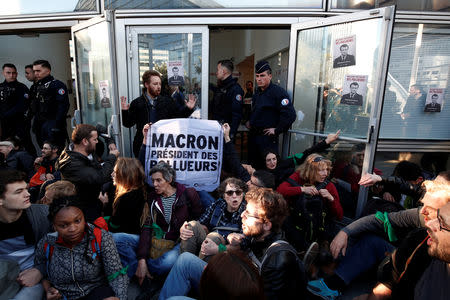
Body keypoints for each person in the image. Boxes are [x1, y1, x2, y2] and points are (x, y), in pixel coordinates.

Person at [306, 173, 450, 299]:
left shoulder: (420, 252)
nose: (427, 221)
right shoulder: (422, 220)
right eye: (422, 205)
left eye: (440, 220)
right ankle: (330, 274)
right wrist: (345, 232)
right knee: (370, 239)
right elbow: (380, 219)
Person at [158, 188, 307, 300]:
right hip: (232, 287)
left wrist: (221, 278)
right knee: (186, 260)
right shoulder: (256, 236)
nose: (242, 216)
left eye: (248, 214)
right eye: (244, 211)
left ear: (267, 225)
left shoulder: (278, 259)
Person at [114, 161, 202, 283]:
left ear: (169, 179)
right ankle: (140, 268)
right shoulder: (152, 197)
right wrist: (141, 259)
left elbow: (199, 220)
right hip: (156, 240)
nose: (155, 184)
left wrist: (188, 228)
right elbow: (147, 227)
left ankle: (143, 274)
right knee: (116, 238)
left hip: (178, 242)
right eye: (153, 180)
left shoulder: (188, 194)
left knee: (166, 263)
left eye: (158, 180)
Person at [34, 195, 128, 300]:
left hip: (96, 291)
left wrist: (119, 298)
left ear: (84, 218)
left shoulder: (99, 237)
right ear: (54, 226)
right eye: (64, 225)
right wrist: (48, 290)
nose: (73, 229)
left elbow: (116, 274)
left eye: (77, 221)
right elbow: (41, 270)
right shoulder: (47, 243)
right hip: (64, 296)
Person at [0, 169, 51, 300]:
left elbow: (63, 250)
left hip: (35, 278)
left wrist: (40, 271)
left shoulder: (44, 215)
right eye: (18, 192)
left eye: (26, 189)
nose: (27, 194)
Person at [121, 70, 196, 157]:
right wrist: (125, 111)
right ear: (146, 85)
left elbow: (178, 117)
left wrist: (188, 109)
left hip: (163, 147)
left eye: (160, 84)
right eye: (155, 84)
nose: (159, 87)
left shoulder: (167, 101)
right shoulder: (137, 103)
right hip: (142, 147)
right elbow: (128, 123)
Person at [277, 153, 343, 250]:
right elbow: (280, 190)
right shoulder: (298, 177)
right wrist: (302, 189)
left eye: (326, 169)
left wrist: (331, 198)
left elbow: (340, 216)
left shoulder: (329, 186)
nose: (325, 173)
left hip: (319, 225)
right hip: (298, 223)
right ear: (310, 170)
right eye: (320, 170)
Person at [56, 124, 119, 222]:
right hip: (84, 209)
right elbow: (100, 177)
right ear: (85, 141)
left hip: (94, 197)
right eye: (95, 140)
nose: (97, 142)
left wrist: (110, 141)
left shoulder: (82, 150)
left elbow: (98, 127)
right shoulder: (73, 164)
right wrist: (112, 157)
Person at [179, 177, 248, 259]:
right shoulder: (217, 205)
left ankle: (199, 269)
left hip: (229, 252)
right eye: (230, 193)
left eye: (238, 192)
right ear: (224, 196)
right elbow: (200, 223)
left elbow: (243, 245)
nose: (234, 196)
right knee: (191, 225)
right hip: (208, 241)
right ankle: (185, 262)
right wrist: (185, 228)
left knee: (213, 237)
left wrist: (218, 249)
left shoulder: (246, 212)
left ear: (242, 194)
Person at [247, 60, 296, 169]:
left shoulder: (278, 92)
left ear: (270, 76)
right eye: (257, 76)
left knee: (267, 171)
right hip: (254, 138)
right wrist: (250, 121)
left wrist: (277, 129)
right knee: (253, 167)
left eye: (262, 75)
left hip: (267, 140)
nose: (259, 79)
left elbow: (290, 115)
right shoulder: (257, 94)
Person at [264, 130, 340, 187]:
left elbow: (306, 153)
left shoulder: (284, 164)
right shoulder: (260, 174)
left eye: (274, 159)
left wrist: (327, 141)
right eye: (268, 160)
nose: (272, 162)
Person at [102, 157, 147, 235]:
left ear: (125, 175)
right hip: (139, 237)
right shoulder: (142, 190)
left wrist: (105, 204)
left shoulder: (123, 199)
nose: (111, 174)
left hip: (125, 240)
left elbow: (113, 226)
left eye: (115, 172)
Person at [32, 60, 70, 148]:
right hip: (40, 124)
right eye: (34, 71)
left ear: (48, 71)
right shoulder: (37, 85)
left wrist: (56, 124)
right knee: (44, 151)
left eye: (38, 71)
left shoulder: (57, 85)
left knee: (56, 151)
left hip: (52, 123)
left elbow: (63, 106)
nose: (36, 73)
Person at [211, 59, 244, 138]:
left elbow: (237, 114)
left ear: (224, 71)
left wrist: (231, 134)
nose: (216, 72)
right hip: (217, 130)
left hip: (226, 133)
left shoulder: (235, 89)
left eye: (218, 70)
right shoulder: (221, 87)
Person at [0, 63, 29, 141]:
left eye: (13, 73)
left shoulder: (22, 87)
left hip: (18, 122)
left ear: (16, 73)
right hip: (3, 124)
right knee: (4, 146)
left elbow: (23, 105)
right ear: (3, 73)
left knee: (23, 145)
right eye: (8, 73)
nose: (11, 75)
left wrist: (5, 115)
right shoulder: (1, 87)